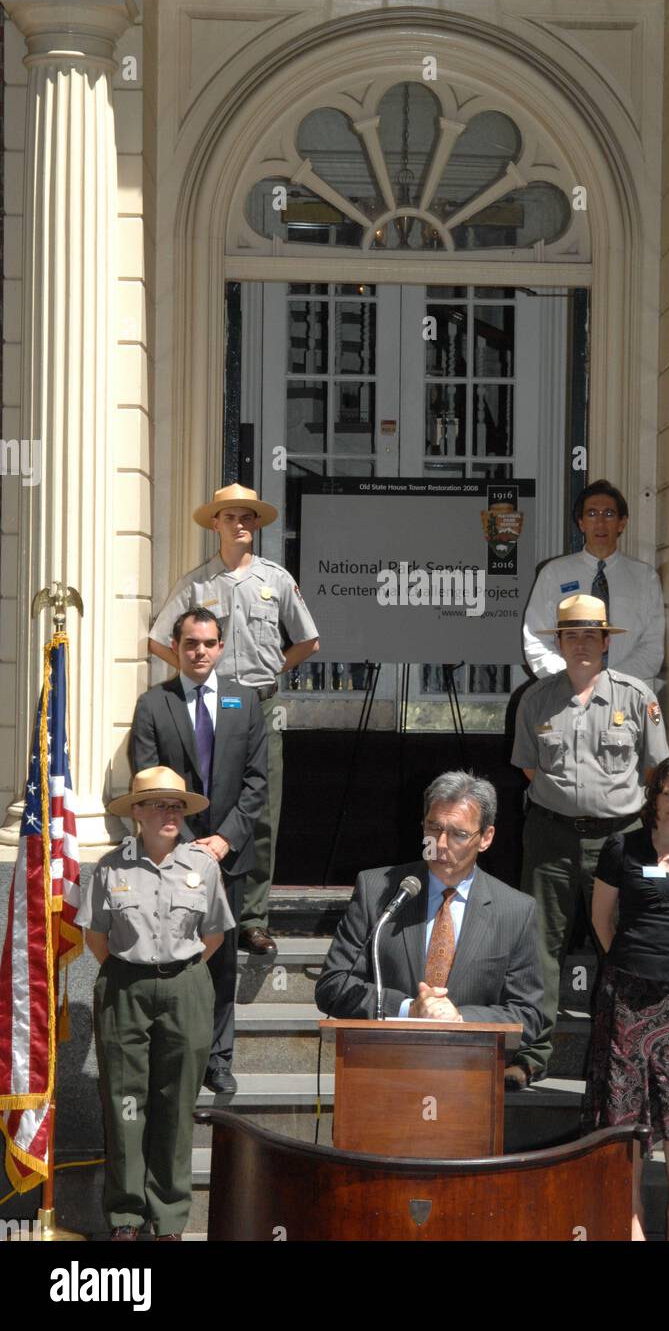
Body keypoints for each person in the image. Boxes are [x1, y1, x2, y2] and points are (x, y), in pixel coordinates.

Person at [148, 483, 320, 955]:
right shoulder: (197, 584)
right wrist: (193, 673)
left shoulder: (277, 579)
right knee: (210, 806)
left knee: (263, 811)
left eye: (247, 517)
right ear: (216, 525)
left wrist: (271, 673)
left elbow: (308, 641)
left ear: (256, 526)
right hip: (213, 708)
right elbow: (159, 638)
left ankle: (253, 918)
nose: (239, 524)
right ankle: (200, 908)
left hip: (261, 707)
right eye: (229, 517)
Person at [510, 593, 669, 1086]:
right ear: (558, 642)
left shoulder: (636, 697)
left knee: (625, 941)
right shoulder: (534, 699)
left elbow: (654, 770)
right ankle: (532, 1055)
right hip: (551, 838)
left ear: (606, 642)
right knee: (539, 945)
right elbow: (530, 769)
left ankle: (631, 1053)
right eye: (571, 635)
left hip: (619, 840)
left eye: (590, 635)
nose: (581, 644)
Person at [76, 767, 235, 1241]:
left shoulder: (202, 865)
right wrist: (138, 970)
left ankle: (168, 1219)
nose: (170, 814)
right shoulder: (111, 867)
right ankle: (125, 1215)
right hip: (125, 989)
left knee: (175, 1102)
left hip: (186, 987)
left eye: (177, 806)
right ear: (137, 813)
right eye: (159, 805)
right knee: (126, 1103)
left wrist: (172, 969)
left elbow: (213, 935)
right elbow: (97, 936)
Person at [583, 756, 669, 1241]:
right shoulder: (620, 847)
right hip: (625, 992)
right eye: (668, 793)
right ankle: (634, 1213)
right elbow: (602, 919)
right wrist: (630, 962)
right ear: (654, 796)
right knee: (625, 1105)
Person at [131, 606, 267, 1093]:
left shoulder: (245, 702)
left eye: (209, 643)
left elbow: (256, 782)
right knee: (172, 958)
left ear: (221, 647)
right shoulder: (153, 704)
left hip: (227, 859)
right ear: (177, 646)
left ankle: (218, 1060)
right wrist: (189, 846)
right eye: (191, 643)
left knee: (222, 962)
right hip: (170, 859)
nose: (200, 651)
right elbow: (146, 781)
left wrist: (224, 841)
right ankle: (171, 1058)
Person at [315, 771, 543, 1049]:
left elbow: (528, 1015)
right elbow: (333, 986)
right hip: (382, 1061)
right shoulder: (377, 891)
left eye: (458, 834)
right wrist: (407, 1009)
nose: (441, 844)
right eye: (433, 829)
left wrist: (461, 1018)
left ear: (485, 837)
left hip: (469, 1068)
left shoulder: (516, 911)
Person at [522, 479, 665, 682]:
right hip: (566, 695)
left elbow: (652, 647)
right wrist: (573, 680)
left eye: (608, 514)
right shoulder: (553, 574)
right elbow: (536, 639)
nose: (600, 523)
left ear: (622, 523)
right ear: (581, 523)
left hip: (626, 697)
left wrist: (609, 683)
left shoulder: (645, 578)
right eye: (591, 514)